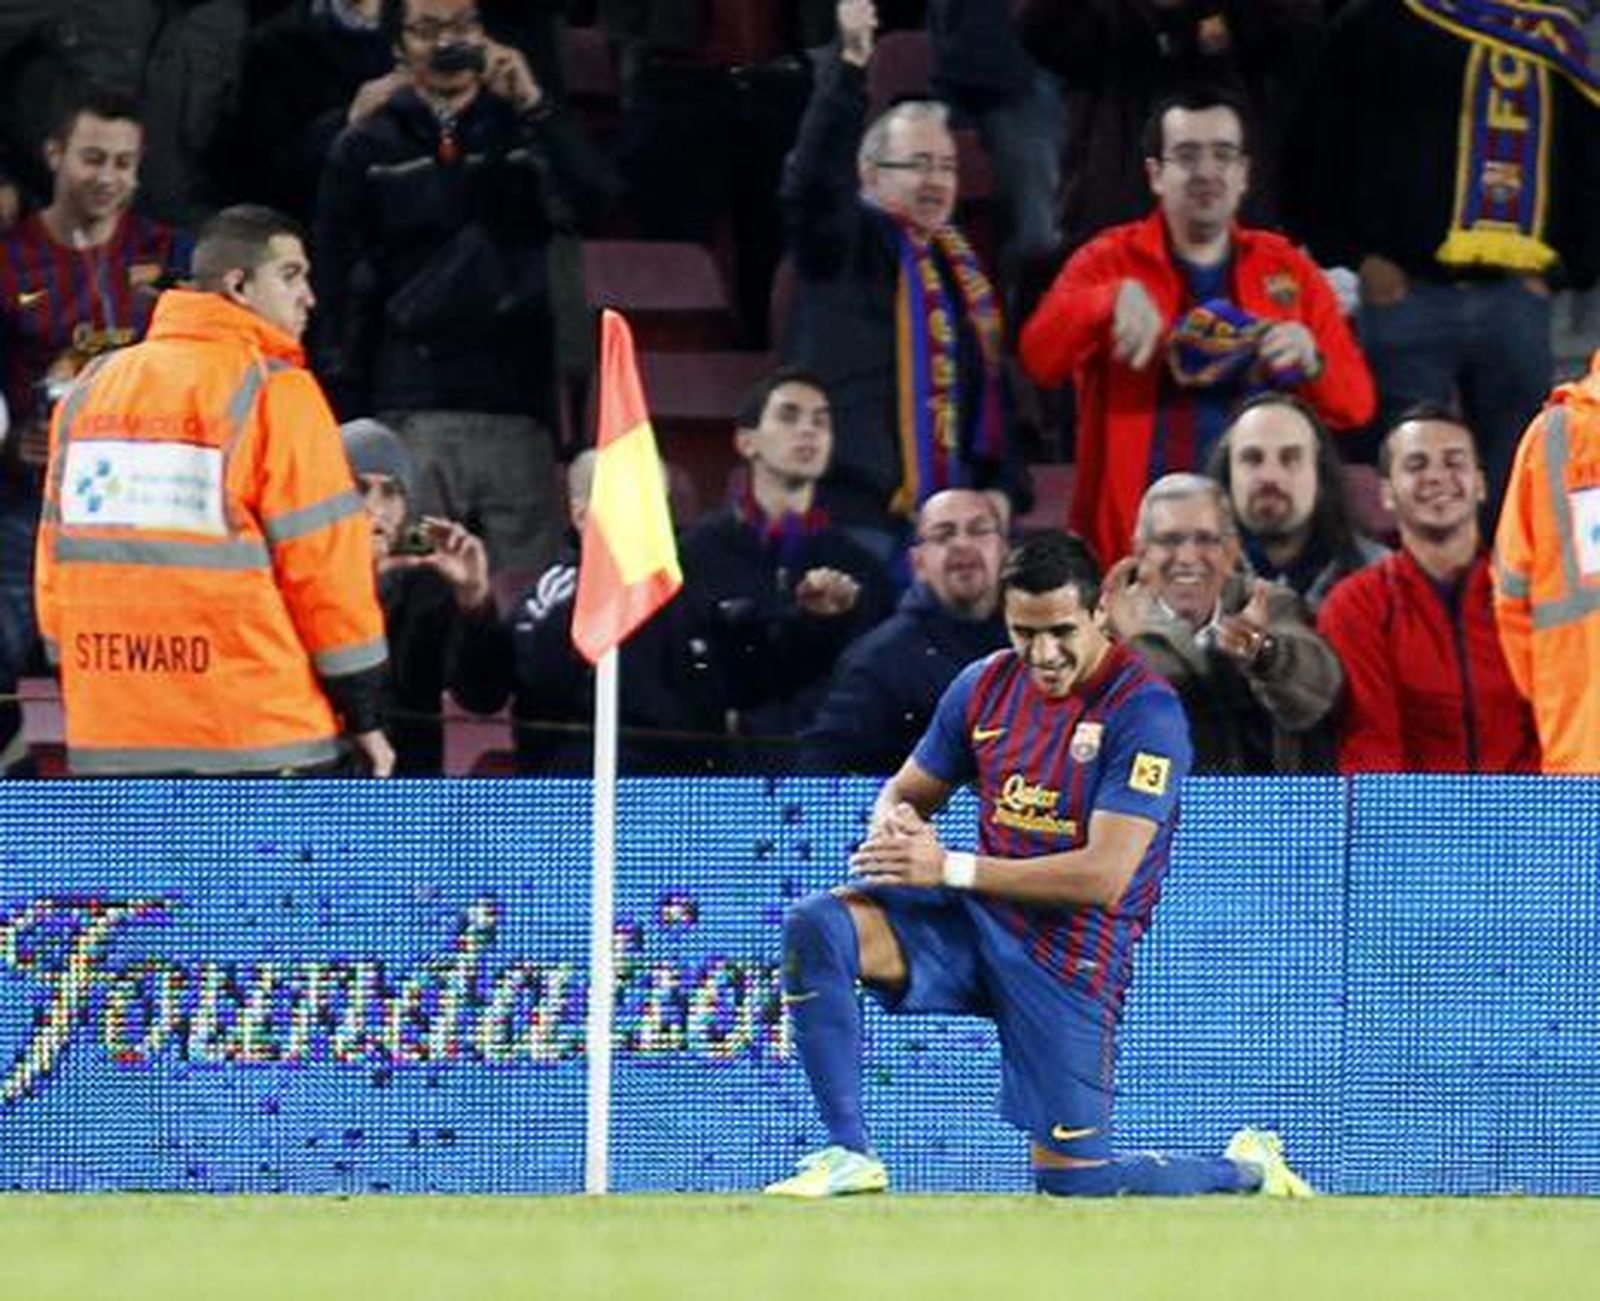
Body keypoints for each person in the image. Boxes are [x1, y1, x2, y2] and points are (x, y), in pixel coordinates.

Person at [766, 529, 1312, 1198]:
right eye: (1024, 631)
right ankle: (849, 1153)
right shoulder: (983, 687)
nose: (1043, 653)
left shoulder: (1146, 711)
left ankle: (1248, 1169)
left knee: (1075, 1184)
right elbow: (907, 789)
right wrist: (896, 821)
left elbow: (1103, 876)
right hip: (973, 926)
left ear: (1099, 611)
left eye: (1060, 630)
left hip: (1073, 956)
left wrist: (949, 868)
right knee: (819, 924)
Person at [34, 204, 392, 777]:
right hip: (261, 740)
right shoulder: (277, 393)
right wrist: (366, 710)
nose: (311, 298)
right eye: (292, 275)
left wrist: (78, 675)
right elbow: (326, 570)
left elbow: (55, 562)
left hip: (113, 739)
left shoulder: (90, 390)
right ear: (240, 285)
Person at [314, 0, 616, 576]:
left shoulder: (525, 133)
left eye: (462, 27)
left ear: (486, 35)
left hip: (517, 408)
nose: (447, 43)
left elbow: (597, 201)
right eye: (428, 30)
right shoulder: (367, 142)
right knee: (416, 582)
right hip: (412, 409)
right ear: (398, 46)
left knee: (524, 591)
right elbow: (334, 281)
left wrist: (535, 102)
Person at [1019, 89, 1375, 570]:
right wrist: (1107, 301)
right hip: (1137, 541)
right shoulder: (1109, 260)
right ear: (1155, 175)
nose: (1207, 171)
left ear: (1244, 174)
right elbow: (1039, 358)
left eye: (1223, 155)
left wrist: (1313, 360)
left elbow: (1356, 406)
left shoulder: (1287, 268)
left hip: (1261, 545)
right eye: (1186, 156)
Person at [1288, 0, 1600, 519]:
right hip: (1403, 296)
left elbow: (1589, 163)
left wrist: (1564, 267)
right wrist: (1357, 256)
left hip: (1513, 302)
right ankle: (1410, 598)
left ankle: (1508, 596)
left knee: (1519, 484)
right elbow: (1315, 149)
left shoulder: (1549, 34)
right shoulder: (1372, 24)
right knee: (1412, 483)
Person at [778, 0, 1023, 568]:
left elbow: (991, 398)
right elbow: (811, 184)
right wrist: (849, 67)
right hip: (855, 517)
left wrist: (1004, 487)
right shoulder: (841, 243)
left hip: (955, 527)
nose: (936, 181)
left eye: (947, 167)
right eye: (918, 165)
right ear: (869, 176)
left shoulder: (964, 274)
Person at [0, 85, 191, 776]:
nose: (109, 177)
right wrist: (6, 437)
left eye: (124, 162)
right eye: (92, 158)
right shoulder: (9, 259)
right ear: (54, 154)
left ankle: (143, 801)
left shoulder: (168, 255)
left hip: (146, 511)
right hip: (32, 503)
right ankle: (16, 773)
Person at [682, 366, 892, 769]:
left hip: (831, 778)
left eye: (821, 421)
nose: (808, 431)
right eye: (789, 416)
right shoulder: (696, 556)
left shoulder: (860, 567)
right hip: (722, 780)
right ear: (746, 441)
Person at [1319, 406, 1538, 773]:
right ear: (1387, 493)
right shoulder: (1355, 606)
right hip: (1411, 823)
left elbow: (1551, 721)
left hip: (1533, 817)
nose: (1436, 477)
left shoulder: (1533, 594)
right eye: (1416, 465)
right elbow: (1372, 742)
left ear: (1481, 484)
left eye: (1454, 463)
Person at [487, 449, 726, 774]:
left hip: (684, 796)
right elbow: (536, 686)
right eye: (630, 502)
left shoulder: (694, 588)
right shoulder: (554, 594)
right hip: (573, 792)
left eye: (655, 503)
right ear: (582, 516)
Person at [1100, 473, 1342, 773]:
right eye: (1169, 540)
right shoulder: (1109, 624)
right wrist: (1127, 650)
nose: (1187, 557)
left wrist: (1265, 654)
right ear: (1140, 550)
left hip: (1261, 809)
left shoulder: (1268, 603)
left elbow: (1317, 700)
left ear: (1231, 550)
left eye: (1205, 539)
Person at [799, 487, 1009, 774]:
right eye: (943, 535)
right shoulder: (878, 658)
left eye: (978, 530)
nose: (962, 543)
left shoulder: (1041, 642)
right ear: (917, 563)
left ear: (1003, 549)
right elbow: (820, 772)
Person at [341, 417, 509, 774]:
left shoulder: (426, 588)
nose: (376, 508)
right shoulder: (287, 581)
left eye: (392, 492)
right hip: (312, 796)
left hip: (407, 806)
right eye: (358, 488)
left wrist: (474, 599)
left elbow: (482, 698)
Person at [1493, 358, 1600, 774]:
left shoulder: (1553, 436)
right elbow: (1511, 591)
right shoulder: (1555, 436)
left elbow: (1510, 595)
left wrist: (1561, 697)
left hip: (1583, 744)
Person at [1207, 393, 1387, 613]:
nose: (1270, 476)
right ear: (1229, 475)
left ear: (1319, 475)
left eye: (1290, 458)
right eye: (1252, 459)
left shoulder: (1382, 580)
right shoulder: (1189, 573)